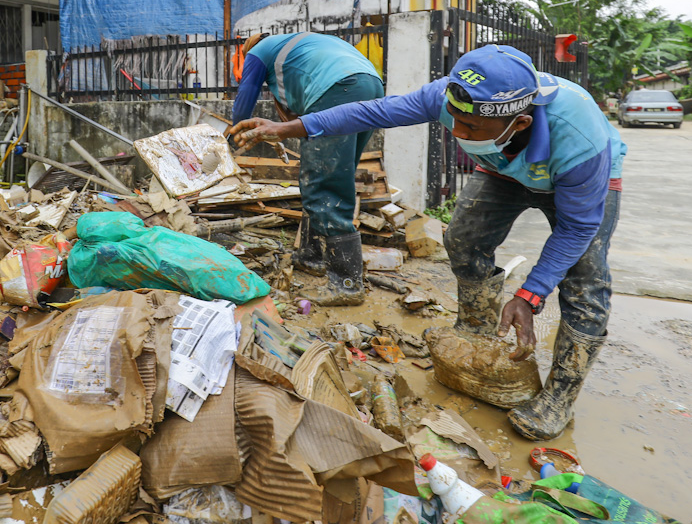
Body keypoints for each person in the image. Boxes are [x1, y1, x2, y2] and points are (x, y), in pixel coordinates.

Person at [230, 44, 626, 441]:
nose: (459, 133)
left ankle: (559, 395)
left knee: (585, 279)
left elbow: (576, 228)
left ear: (520, 123)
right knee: (464, 238)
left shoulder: (578, 137)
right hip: (503, 171)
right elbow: (371, 112)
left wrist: (530, 294)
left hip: (574, 180)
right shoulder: (448, 96)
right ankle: (476, 330)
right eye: (454, 121)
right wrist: (285, 128)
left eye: (471, 130)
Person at [225, 32, 384, 306]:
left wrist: (231, 138)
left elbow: (245, 101)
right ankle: (312, 257)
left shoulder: (258, 51)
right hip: (370, 86)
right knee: (331, 176)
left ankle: (346, 284)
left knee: (323, 183)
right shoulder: (301, 44)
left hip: (337, 89)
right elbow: (294, 114)